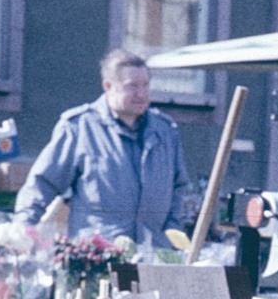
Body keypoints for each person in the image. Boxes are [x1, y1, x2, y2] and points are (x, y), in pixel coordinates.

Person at [13, 49, 188, 245]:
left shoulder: (165, 131)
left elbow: (178, 188)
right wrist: (23, 229)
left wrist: (172, 230)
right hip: (98, 257)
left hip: (153, 254)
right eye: (132, 86)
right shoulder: (79, 128)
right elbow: (43, 183)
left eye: (145, 85)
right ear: (108, 86)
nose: (141, 94)